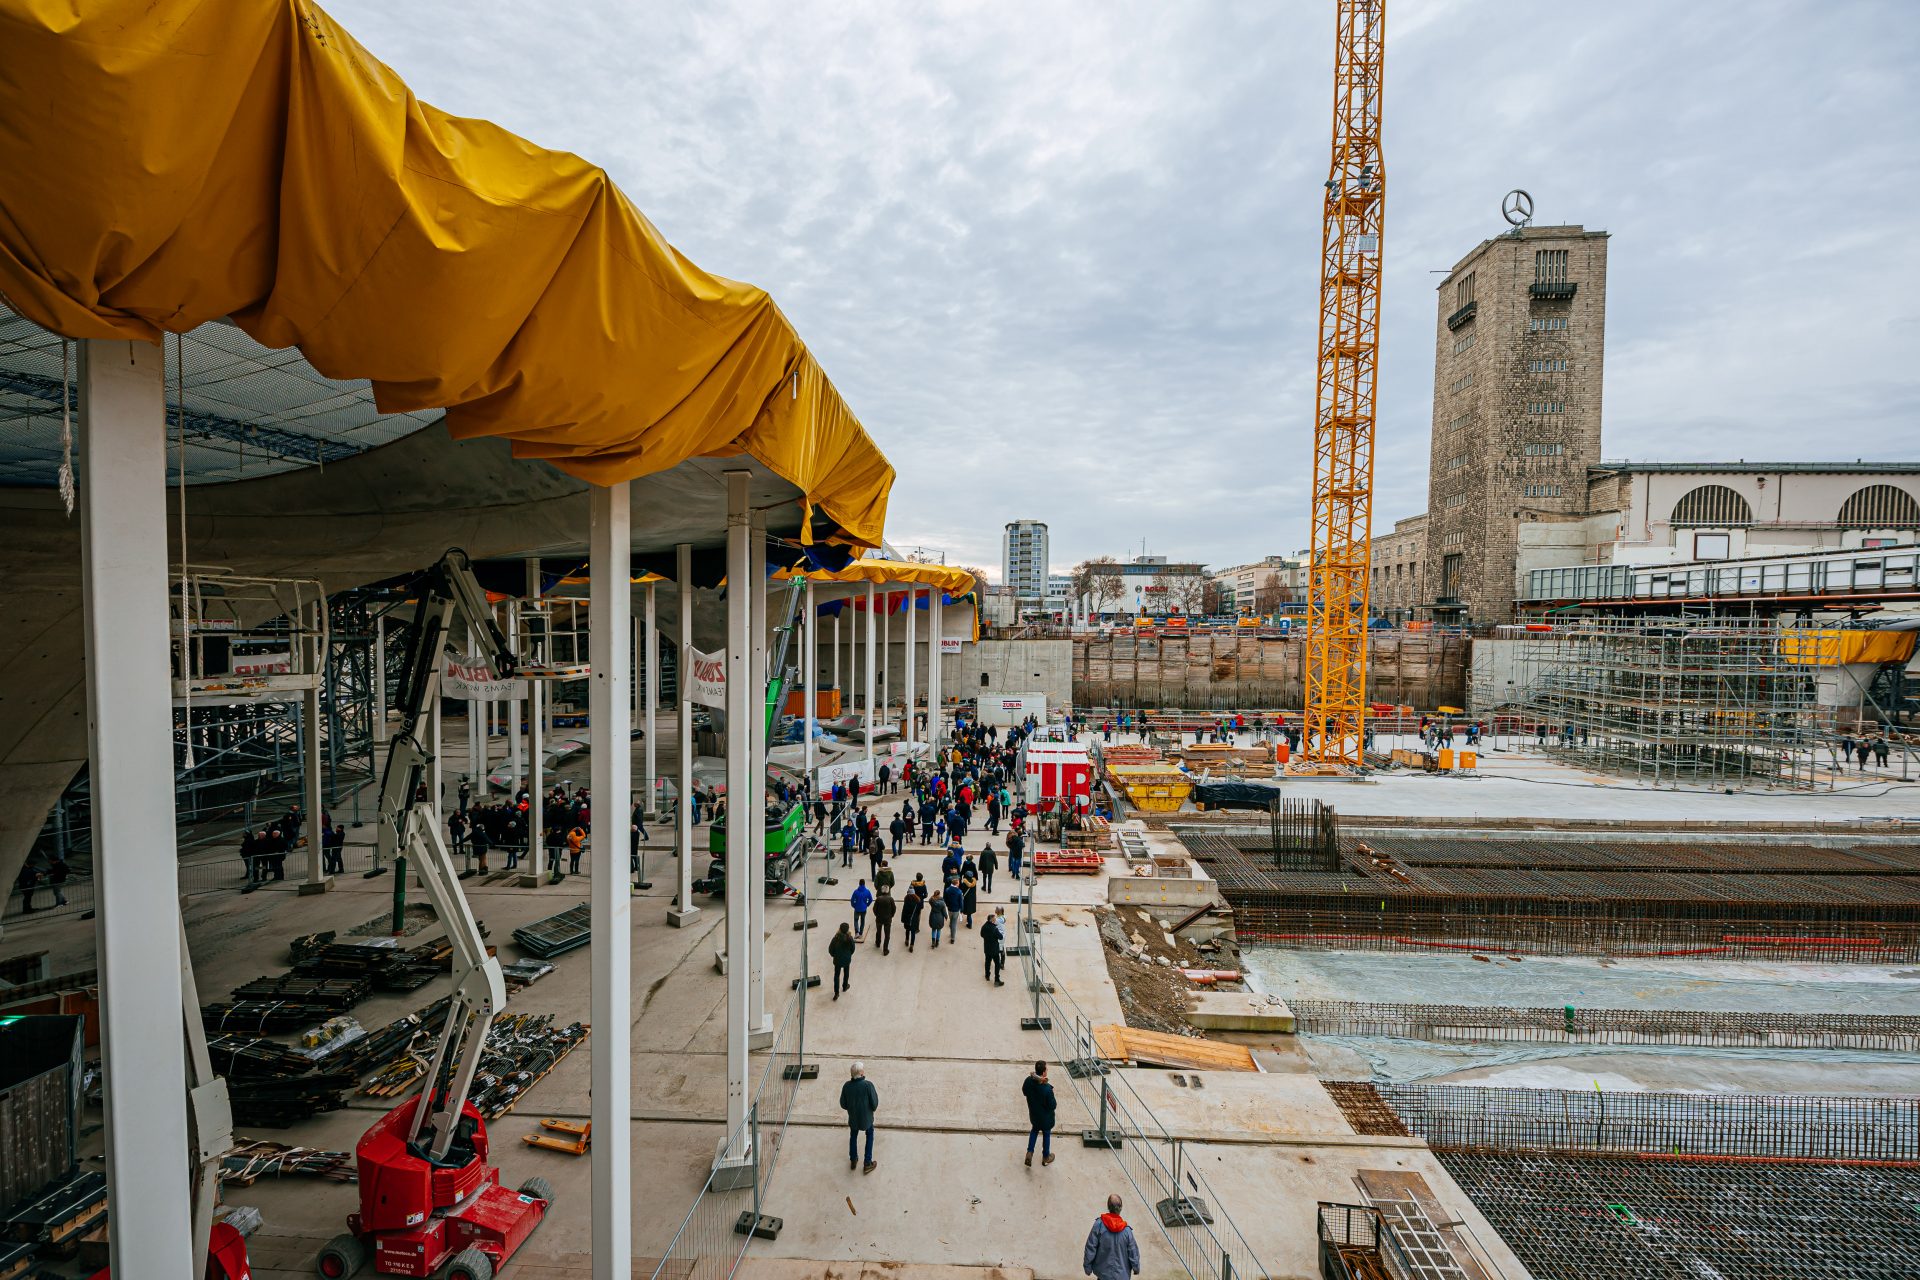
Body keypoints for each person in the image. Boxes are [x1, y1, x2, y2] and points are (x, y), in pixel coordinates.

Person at [1084, 1194, 1141, 1280]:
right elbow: (1133, 1252)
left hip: (1103, 1276)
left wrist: (1087, 1267)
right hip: (1122, 1276)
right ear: (1121, 1208)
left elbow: (1090, 1247)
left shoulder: (1099, 1225)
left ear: (1108, 1207)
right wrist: (1136, 1267)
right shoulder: (1127, 1231)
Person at [840, 1062, 879, 1174]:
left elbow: (843, 1104)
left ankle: (853, 1159)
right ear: (861, 1073)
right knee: (870, 1134)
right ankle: (867, 1163)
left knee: (853, 1136)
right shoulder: (868, 1085)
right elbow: (874, 1104)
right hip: (866, 1119)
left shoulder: (847, 1086)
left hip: (853, 1118)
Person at [1023, 1060, 1056, 1166]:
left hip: (1034, 1115)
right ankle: (1046, 1156)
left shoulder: (1028, 1080)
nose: (1047, 1070)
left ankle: (1029, 1152)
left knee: (1034, 1131)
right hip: (1046, 1118)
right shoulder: (1047, 1089)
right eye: (1046, 1069)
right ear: (1043, 1073)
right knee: (1046, 1134)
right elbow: (1053, 1106)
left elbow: (1024, 1091)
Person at [829, 922, 857, 998]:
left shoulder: (836, 938)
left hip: (837, 959)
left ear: (840, 929)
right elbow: (853, 949)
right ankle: (845, 986)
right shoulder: (850, 938)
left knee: (837, 975)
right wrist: (849, 955)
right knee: (846, 972)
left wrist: (834, 955)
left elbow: (830, 949)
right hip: (846, 959)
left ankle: (836, 992)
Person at [982, 906, 1005, 985]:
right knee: (997, 964)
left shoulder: (984, 926)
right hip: (994, 949)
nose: (995, 921)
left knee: (987, 962)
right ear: (991, 920)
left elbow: (981, 934)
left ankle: (987, 975)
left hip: (987, 948)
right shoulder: (995, 929)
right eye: (994, 920)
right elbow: (1001, 936)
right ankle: (997, 980)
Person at [872, 886, 896, 956]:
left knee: (878, 931)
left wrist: (877, 915)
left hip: (879, 919)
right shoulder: (890, 899)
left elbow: (874, 909)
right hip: (887, 920)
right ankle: (885, 950)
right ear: (888, 891)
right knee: (887, 935)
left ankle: (878, 943)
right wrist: (891, 916)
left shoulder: (878, 899)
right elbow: (894, 909)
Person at [899, 884, 923, 952]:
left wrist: (903, 919)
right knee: (913, 932)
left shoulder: (906, 900)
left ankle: (907, 940)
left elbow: (904, 910)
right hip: (914, 919)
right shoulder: (918, 901)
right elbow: (918, 911)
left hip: (907, 919)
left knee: (907, 930)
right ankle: (911, 945)